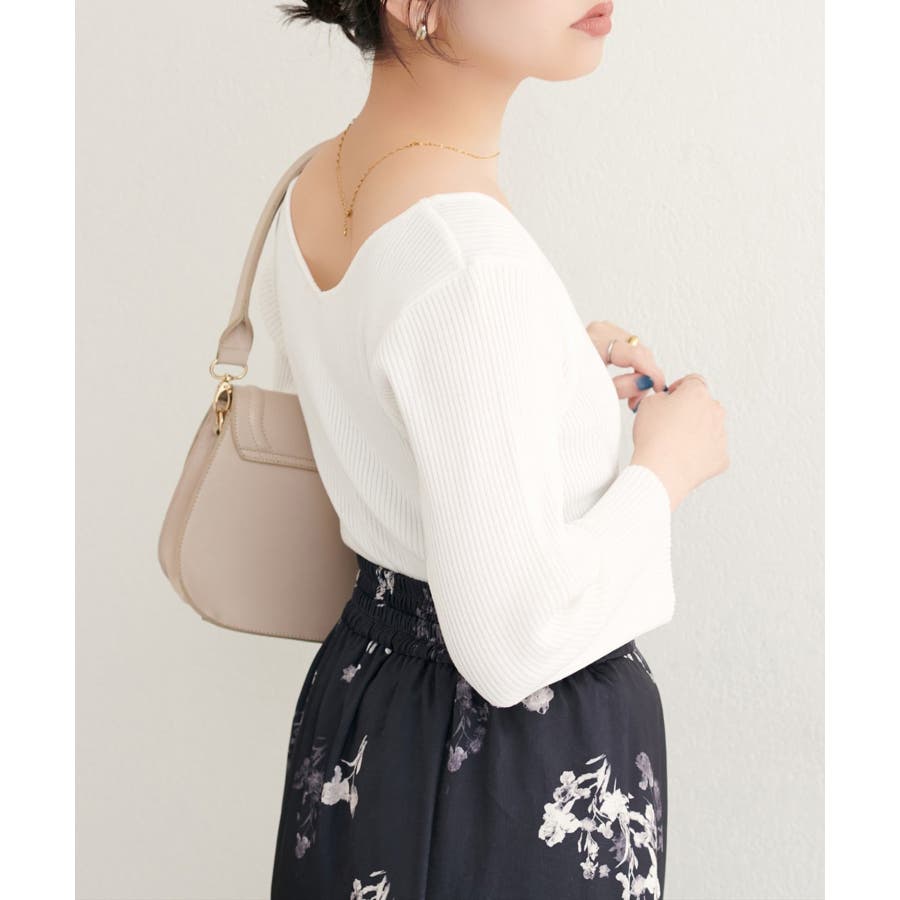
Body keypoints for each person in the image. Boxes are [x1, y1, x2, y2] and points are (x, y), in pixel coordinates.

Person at [261, 2, 729, 897]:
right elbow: (514, 634)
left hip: (370, 711)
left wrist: (548, 377)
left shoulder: (322, 179)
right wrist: (667, 469)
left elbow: (396, 422)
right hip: (503, 772)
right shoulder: (469, 261)